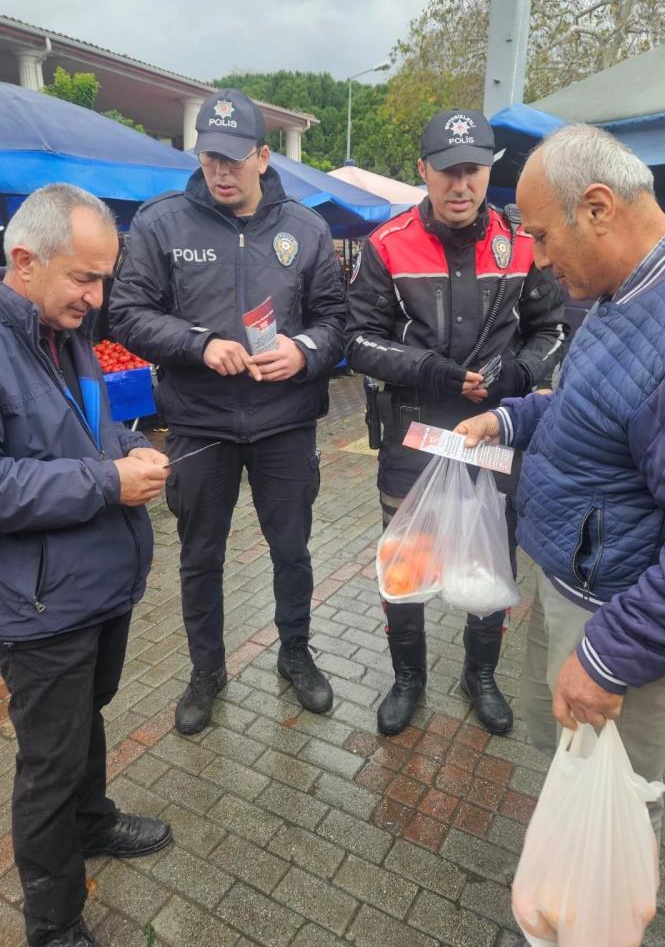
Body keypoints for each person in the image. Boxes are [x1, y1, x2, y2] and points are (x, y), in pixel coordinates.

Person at [456, 124, 665, 838]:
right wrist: (516, 419)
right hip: (584, 589)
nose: (539, 257)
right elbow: (603, 404)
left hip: (620, 619)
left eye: (544, 236)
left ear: (597, 208)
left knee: (611, 807)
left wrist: (609, 655)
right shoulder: (631, 287)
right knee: (572, 776)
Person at [110, 89, 346, 734]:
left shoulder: (306, 228)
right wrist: (197, 345)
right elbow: (126, 314)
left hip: (285, 424)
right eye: (211, 156)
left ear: (264, 157)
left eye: (235, 158)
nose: (221, 169)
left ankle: (295, 655)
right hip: (198, 425)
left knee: (292, 551)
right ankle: (205, 670)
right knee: (199, 557)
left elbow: (336, 321)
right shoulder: (161, 223)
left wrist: (303, 353)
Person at [345, 108, 567, 737]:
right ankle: (408, 677)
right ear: (424, 171)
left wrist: (517, 377)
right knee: (407, 557)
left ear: (487, 171)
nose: (461, 184)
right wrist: (433, 371)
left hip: (494, 430)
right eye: (447, 171)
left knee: (492, 555)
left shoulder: (522, 243)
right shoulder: (385, 245)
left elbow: (551, 332)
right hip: (413, 433)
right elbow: (358, 341)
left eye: (472, 170)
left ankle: (481, 672)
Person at [0, 184, 172, 947]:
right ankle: (54, 922)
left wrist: (123, 450)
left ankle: (93, 822)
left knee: (85, 723)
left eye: (104, 277)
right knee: (49, 763)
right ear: (24, 261)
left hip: (99, 583)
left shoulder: (64, 333)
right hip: (39, 605)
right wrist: (108, 481)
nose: (97, 297)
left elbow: (82, 432)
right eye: (84, 277)